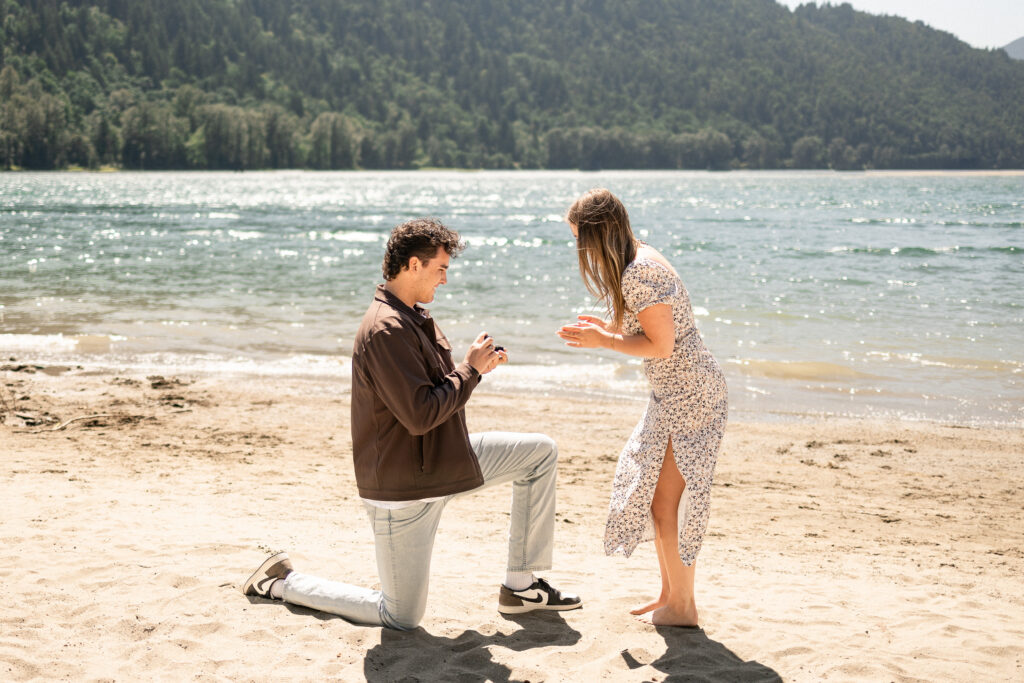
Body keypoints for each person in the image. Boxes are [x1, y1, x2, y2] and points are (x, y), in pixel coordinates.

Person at [243, 218, 581, 629]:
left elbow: (435, 391)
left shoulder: (412, 317)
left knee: (539, 454)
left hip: (441, 461)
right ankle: (282, 582)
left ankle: (520, 588)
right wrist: (470, 371)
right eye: (441, 269)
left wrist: (475, 369)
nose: (445, 280)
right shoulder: (385, 329)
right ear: (414, 265)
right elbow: (420, 415)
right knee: (401, 615)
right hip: (403, 489)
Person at [556, 188, 727, 628]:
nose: (580, 249)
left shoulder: (639, 272)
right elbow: (654, 327)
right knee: (654, 495)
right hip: (676, 394)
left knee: (668, 501)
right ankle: (670, 595)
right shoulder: (641, 257)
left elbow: (662, 344)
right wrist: (608, 328)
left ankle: (683, 608)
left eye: (580, 239)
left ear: (598, 233)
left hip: (688, 396)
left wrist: (605, 340)